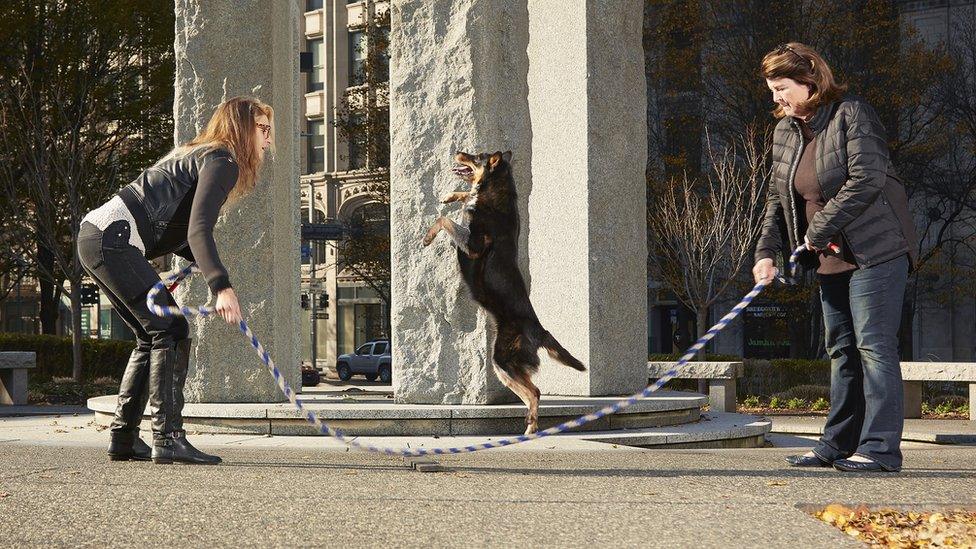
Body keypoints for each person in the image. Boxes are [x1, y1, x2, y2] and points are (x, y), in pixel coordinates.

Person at [77, 96, 274, 464]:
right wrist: (221, 287)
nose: (267, 139)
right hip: (115, 238)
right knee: (171, 329)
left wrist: (192, 262)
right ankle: (168, 438)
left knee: (151, 333)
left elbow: (176, 225)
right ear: (240, 128)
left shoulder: (202, 153)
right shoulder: (222, 160)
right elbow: (200, 229)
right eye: (262, 129)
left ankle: (124, 438)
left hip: (100, 235)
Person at [753, 43, 918, 473]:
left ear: (811, 80)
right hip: (827, 257)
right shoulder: (785, 131)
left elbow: (868, 178)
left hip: (877, 251)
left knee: (874, 346)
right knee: (841, 348)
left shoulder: (852, 114)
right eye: (772, 90)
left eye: (782, 87)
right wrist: (766, 253)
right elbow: (776, 199)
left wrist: (817, 230)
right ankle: (836, 444)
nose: (776, 98)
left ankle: (880, 449)